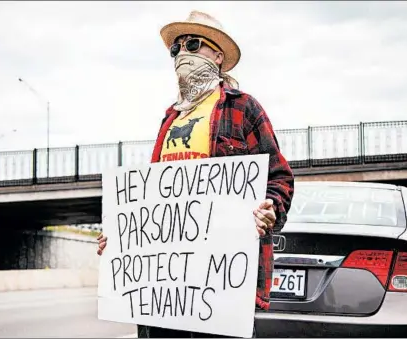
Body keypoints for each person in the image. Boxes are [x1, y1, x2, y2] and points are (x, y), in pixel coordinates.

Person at [96, 10, 295, 338]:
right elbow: (153, 202)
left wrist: (270, 208)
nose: (182, 55)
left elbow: (279, 177)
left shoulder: (243, 108)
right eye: (176, 49)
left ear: (217, 56)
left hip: (220, 286)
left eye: (192, 44)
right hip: (164, 288)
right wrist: (119, 238)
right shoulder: (169, 119)